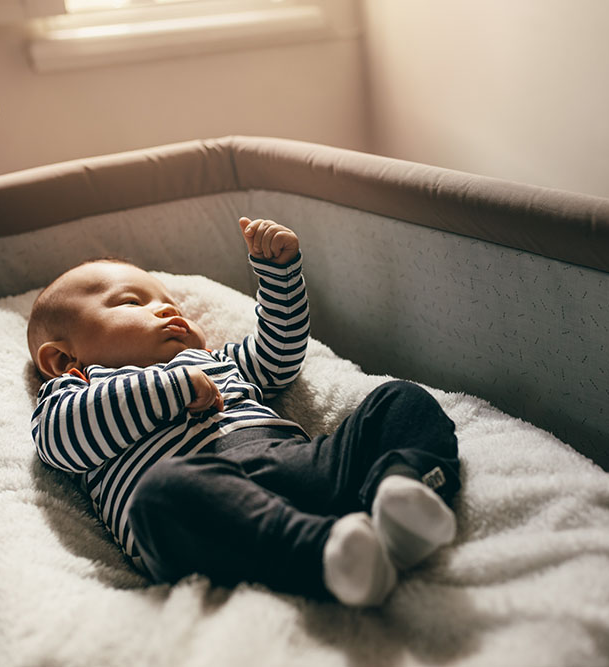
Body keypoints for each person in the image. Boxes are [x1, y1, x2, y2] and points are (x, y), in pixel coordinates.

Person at [27, 216, 461, 606]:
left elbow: (280, 354)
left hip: (296, 466)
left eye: (172, 305)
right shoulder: (74, 392)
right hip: (208, 511)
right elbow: (61, 441)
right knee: (159, 495)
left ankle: (402, 492)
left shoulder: (217, 362)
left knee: (399, 400)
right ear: (65, 360)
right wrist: (172, 388)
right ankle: (324, 551)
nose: (166, 309)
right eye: (131, 303)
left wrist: (279, 277)